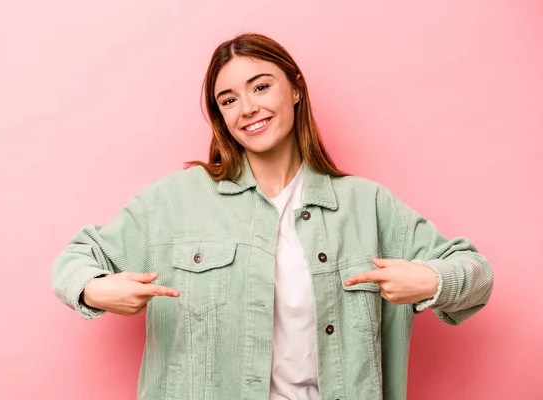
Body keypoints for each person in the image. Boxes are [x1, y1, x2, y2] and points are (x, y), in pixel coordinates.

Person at [51, 33, 493, 400]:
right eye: (228, 99)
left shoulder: (365, 204)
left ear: (295, 88)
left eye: (260, 87)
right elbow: (75, 260)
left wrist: (434, 282)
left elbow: (476, 273)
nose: (246, 108)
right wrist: (94, 289)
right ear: (220, 116)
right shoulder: (177, 200)